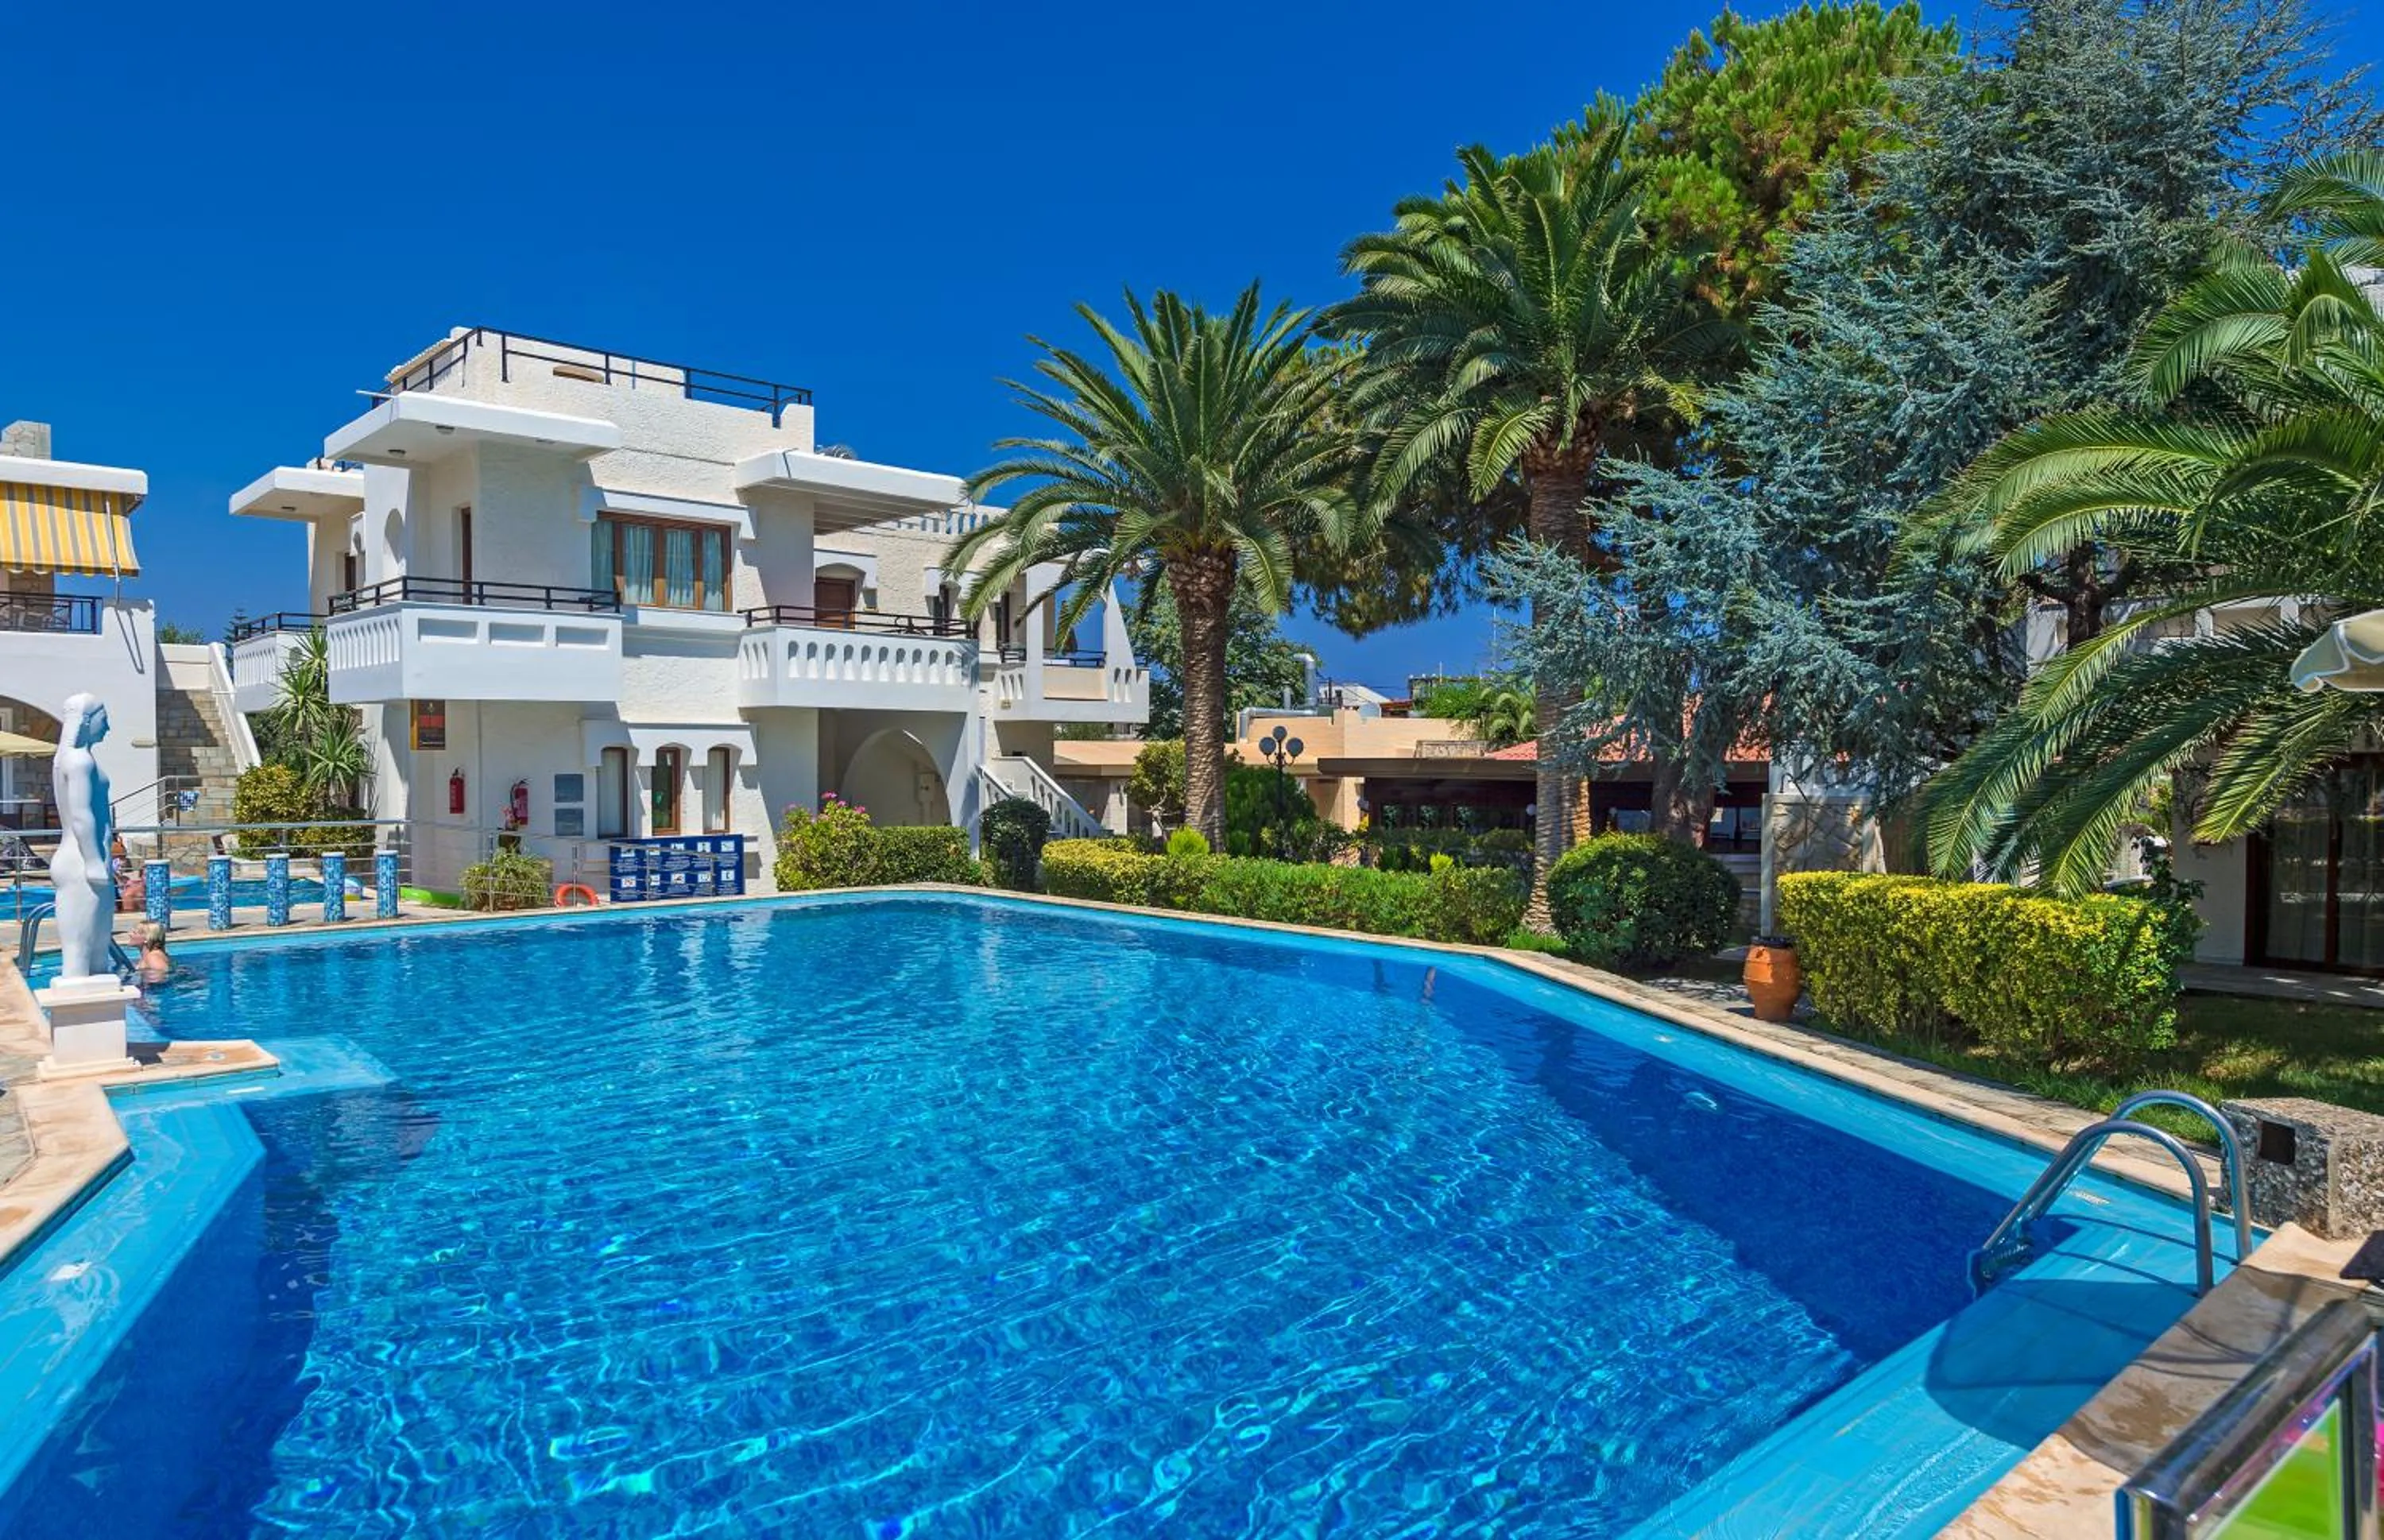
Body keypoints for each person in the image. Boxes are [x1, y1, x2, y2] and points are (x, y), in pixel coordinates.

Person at [133, 920, 171, 984]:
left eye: (134, 933)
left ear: (146, 939)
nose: (130, 935)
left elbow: (160, 983)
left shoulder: (153, 958)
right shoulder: (148, 956)